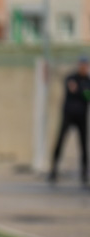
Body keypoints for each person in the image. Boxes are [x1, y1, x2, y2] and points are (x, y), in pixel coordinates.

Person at [48, 56, 90, 186]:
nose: (83, 67)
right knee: (60, 141)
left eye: (86, 65)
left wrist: (80, 90)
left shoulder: (87, 80)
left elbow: (86, 95)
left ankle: (84, 172)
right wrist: (82, 91)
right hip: (68, 115)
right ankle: (53, 169)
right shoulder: (70, 77)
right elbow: (74, 90)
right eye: (82, 64)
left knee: (83, 145)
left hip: (82, 116)